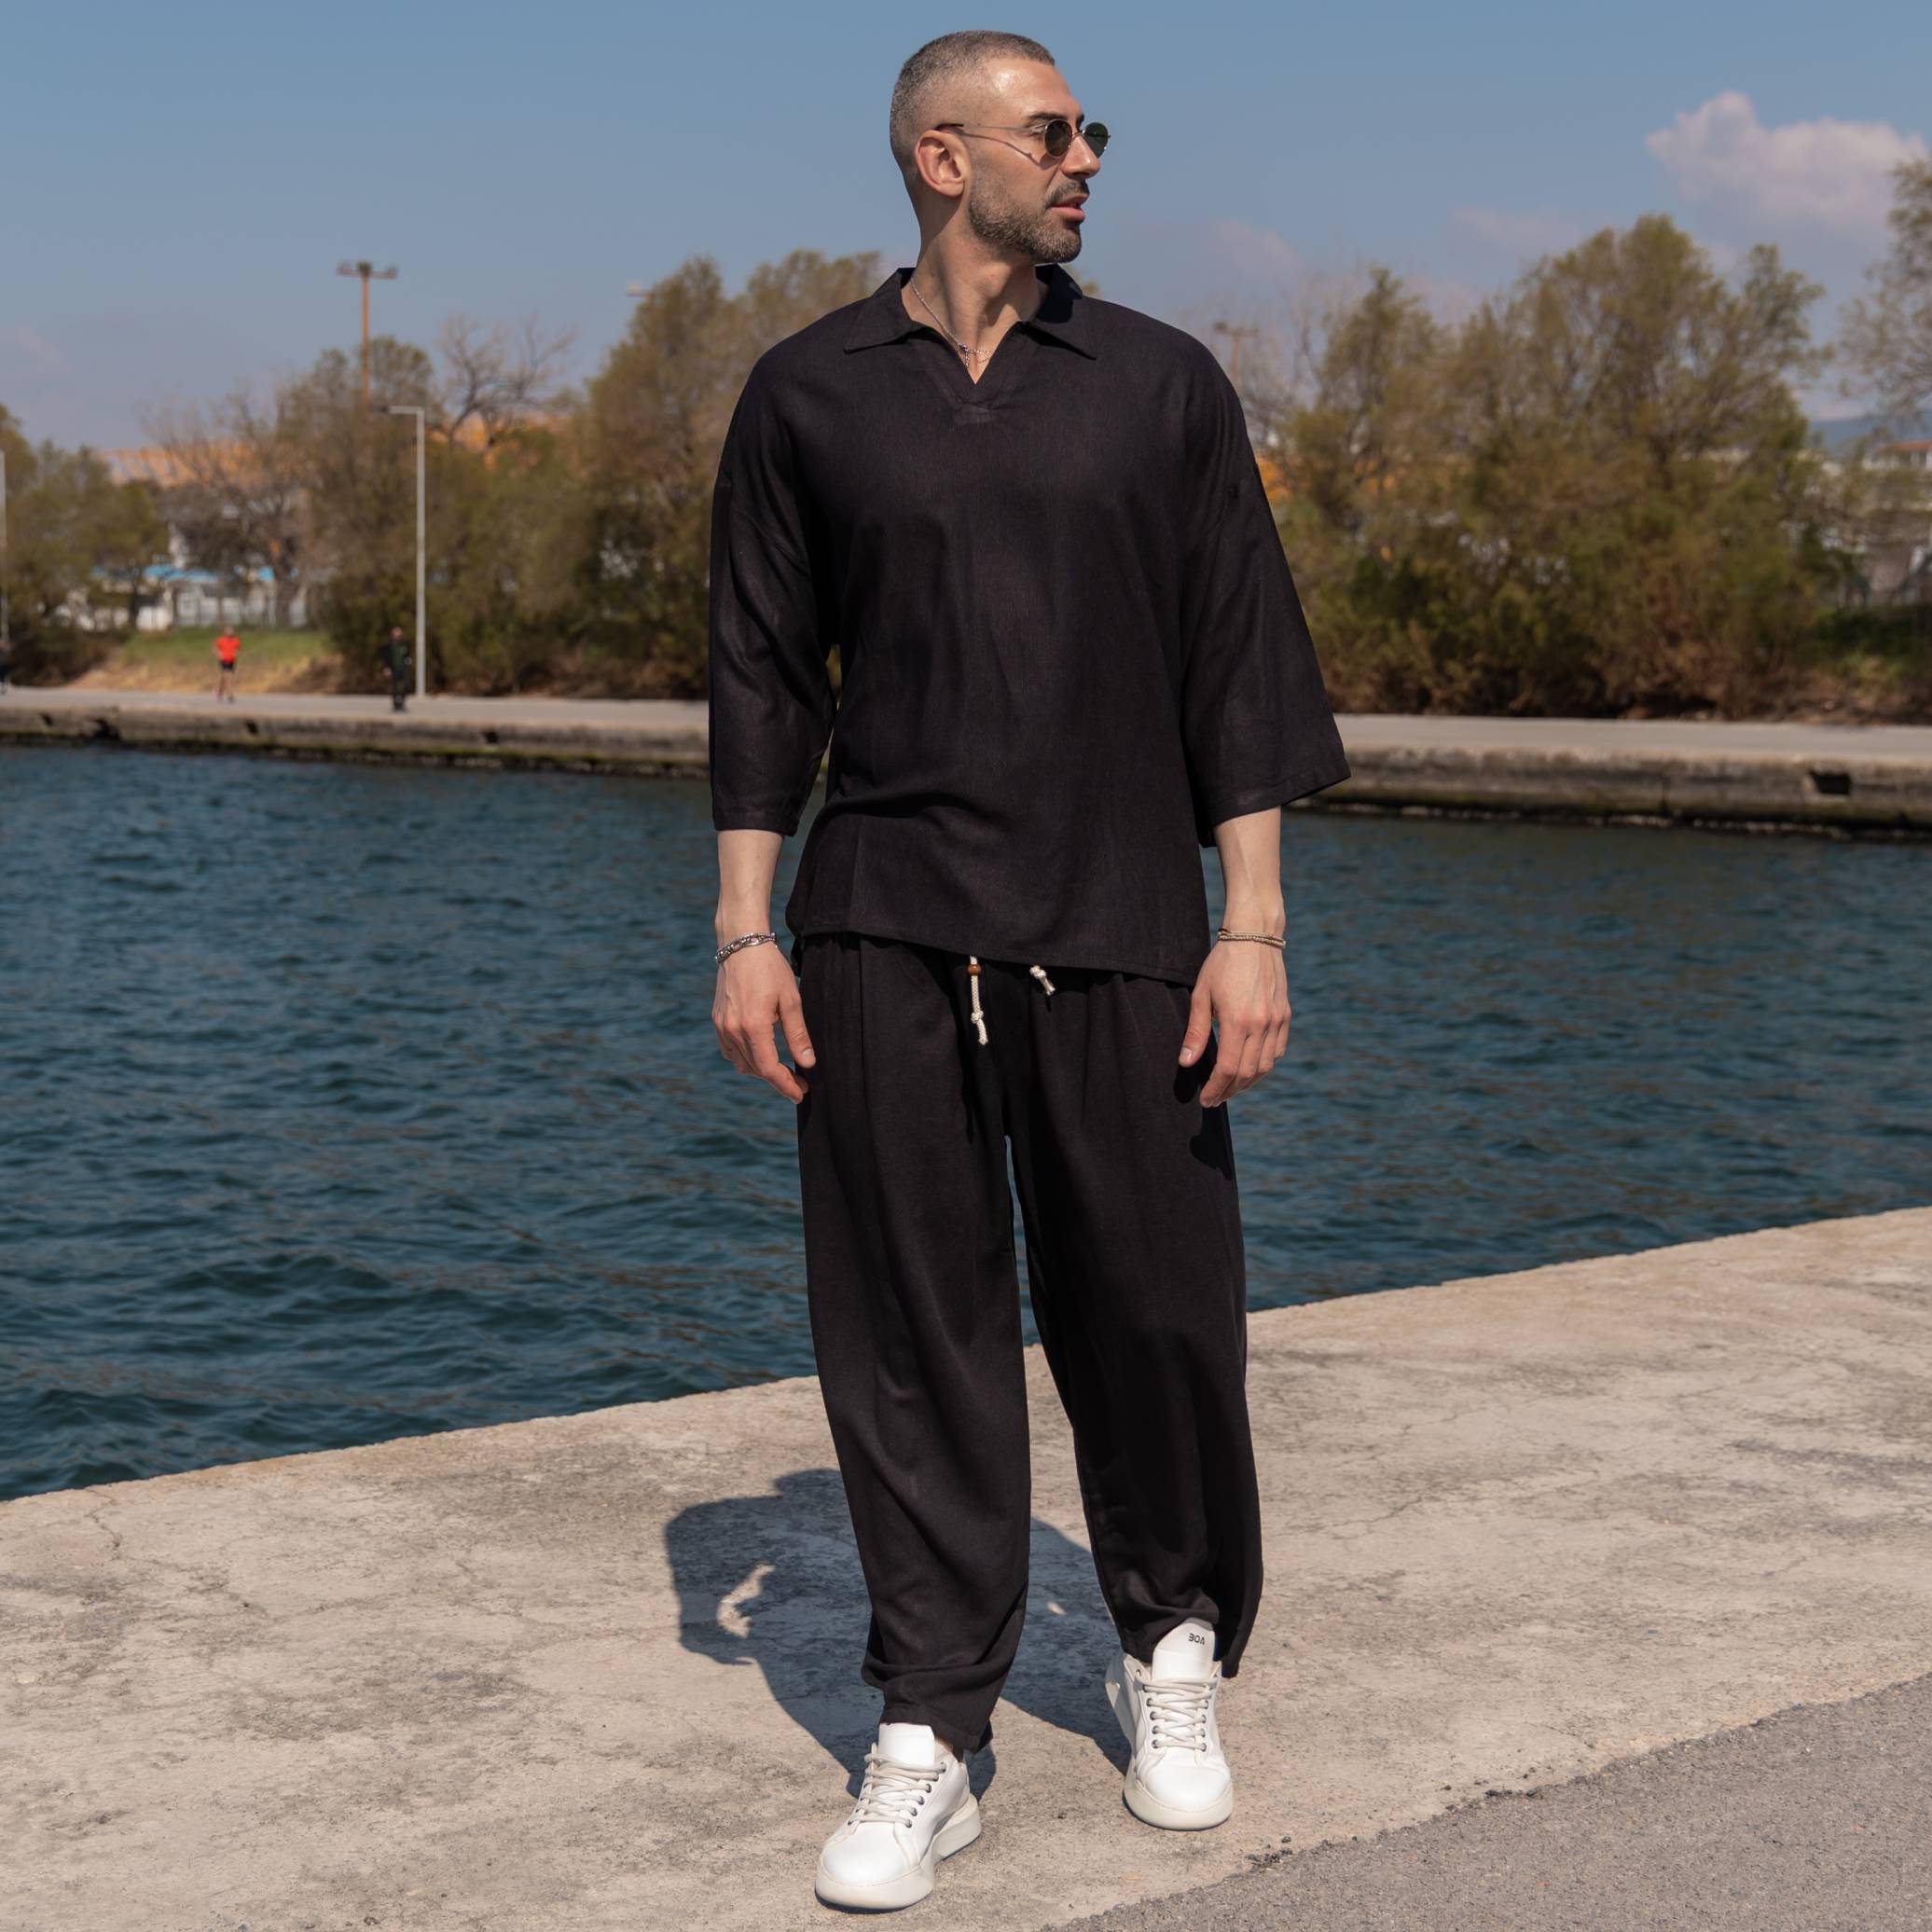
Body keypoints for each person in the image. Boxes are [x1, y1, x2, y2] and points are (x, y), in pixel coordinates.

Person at [707, 30, 1351, 1913]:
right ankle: (933, 1718)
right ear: (940, 156)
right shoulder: (808, 391)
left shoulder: (1156, 382)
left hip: (1125, 918)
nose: (1083, 160)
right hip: (881, 923)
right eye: (1049, 132)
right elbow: (761, 677)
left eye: (1087, 132)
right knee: (909, 1336)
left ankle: (1169, 1641)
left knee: (1155, 1313)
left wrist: (1252, 924)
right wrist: (744, 925)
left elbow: (1235, 658)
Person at [385, 626, 410, 712]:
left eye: (399, 636)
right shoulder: (389, 645)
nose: (398, 637)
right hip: (394, 668)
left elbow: (407, 656)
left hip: (403, 668)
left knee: (406, 686)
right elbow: (386, 658)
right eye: (396, 635)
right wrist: (387, 668)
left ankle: (401, 703)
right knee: (395, 688)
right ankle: (396, 705)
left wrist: (408, 662)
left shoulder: (404, 645)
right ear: (392, 635)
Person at [212, 628, 240, 702]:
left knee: (224, 678)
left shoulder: (236, 640)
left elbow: (237, 649)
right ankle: (230, 694)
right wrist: (219, 654)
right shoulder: (221, 640)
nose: (230, 632)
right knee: (228, 677)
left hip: (232, 661)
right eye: (229, 631)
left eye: (232, 631)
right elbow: (214, 648)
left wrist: (236, 654)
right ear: (225, 632)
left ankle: (219, 692)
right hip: (223, 660)